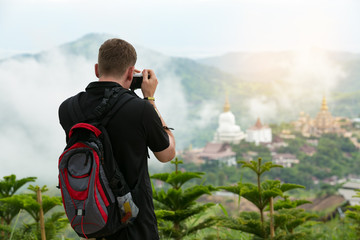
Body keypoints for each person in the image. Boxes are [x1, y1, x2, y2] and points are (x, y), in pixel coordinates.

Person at [58, 38, 176, 240]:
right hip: (136, 225)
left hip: (94, 219)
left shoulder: (68, 108)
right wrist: (150, 100)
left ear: (97, 69)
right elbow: (167, 154)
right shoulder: (141, 109)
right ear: (131, 73)